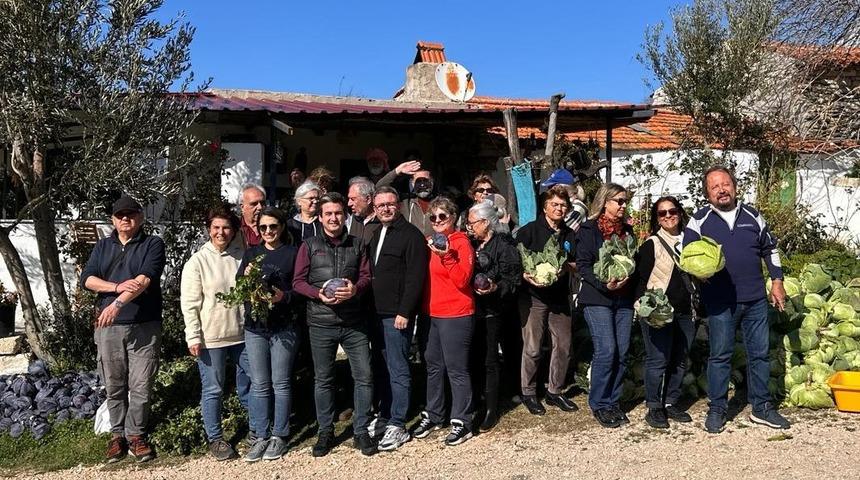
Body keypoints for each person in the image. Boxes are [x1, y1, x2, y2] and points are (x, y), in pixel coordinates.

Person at [684, 165, 790, 433]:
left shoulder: (753, 216)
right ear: (707, 193)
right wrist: (699, 273)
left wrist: (777, 281)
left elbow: (771, 248)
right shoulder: (699, 220)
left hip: (754, 299)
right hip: (720, 302)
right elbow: (685, 253)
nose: (721, 189)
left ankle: (762, 408)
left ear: (734, 186)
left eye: (725, 184)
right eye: (714, 186)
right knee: (720, 356)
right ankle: (717, 409)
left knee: (759, 355)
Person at [80, 194, 165, 463]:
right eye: (120, 215)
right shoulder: (102, 247)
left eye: (130, 214)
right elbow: (88, 279)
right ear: (113, 220)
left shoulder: (153, 244)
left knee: (141, 383)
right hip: (109, 328)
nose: (125, 219)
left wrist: (116, 304)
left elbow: (143, 280)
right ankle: (117, 435)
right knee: (113, 384)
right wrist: (116, 287)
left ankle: (136, 435)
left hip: (144, 325)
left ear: (140, 217)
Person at [292, 192, 377, 457]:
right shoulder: (309, 245)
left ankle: (361, 430)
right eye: (328, 213)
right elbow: (298, 282)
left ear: (345, 216)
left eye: (338, 213)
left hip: (354, 322)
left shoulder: (358, 244)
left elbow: (366, 276)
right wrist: (318, 293)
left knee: (363, 376)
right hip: (321, 323)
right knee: (324, 380)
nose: (333, 218)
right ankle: (325, 432)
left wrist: (356, 289)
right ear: (320, 217)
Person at [180, 206, 252, 460]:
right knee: (214, 389)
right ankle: (216, 439)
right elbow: (190, 303)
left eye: (226, 228)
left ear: (233, 231)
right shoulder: (197, 262)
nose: (221, 232)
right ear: (209, 230)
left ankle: (257, 430)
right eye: (216, 228)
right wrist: (193, 336)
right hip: (212, 339)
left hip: (242, 335)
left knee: (251, 384)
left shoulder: (241, 256)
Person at [366, 186, 428, 451]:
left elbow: (416, 278)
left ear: (399, 205)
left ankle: (398, 423)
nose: (385, 209)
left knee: (398, 369)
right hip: (375, 313)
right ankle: (385, 415)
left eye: (390, 204)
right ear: (375, 209)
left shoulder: (411, 236)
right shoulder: (376, 233)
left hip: (396, 315)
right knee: (380, 366)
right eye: (380, 206)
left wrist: (405, 311)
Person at [412, 197, 476, 446]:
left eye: (443, 216)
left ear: (453, 218)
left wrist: (447, 256)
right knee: (433, 367)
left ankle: (463, 420)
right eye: (433, 217)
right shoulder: (428, 242)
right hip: (431, 313)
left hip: (456, 313)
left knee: (456, 369)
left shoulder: (461, 242)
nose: (437, 221)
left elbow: (462, 280)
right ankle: (434, 413)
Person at [238, 207, 300, 462]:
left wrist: (283, 297)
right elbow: (239, 285)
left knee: (281, 382)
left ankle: (279, 435)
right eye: (263, 228)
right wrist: (246, 276)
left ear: (281, 227)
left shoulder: (293, 253)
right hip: (256, 327)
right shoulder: (252, 253)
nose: (268, 232)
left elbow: (301, 289)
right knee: (260, 383)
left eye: (273, 226)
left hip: (284, 326)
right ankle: (260, 435)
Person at [575, 183, 636, 428]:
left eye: (624, 201)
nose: (623, 205)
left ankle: (613, 400)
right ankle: (599, 403)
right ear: (605, 202)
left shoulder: (628, 232)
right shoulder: (589, 230)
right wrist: (604, 284)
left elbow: (632, 263)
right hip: (598, 298)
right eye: (618, 201)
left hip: (623, 299)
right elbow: (583, 266)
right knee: (607, 350)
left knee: (621, 352)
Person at [515, 186, 579, 416]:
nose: (559, 209)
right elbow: (517, 262)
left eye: (563, 205)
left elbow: (576, 262)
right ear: (545, 207)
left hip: (559, 297)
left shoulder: (569, 234)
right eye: (555, 204)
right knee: (532, 347)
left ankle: (555, 390)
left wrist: (565, 269)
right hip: (533, 297)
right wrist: (525, 275)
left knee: (563, 345)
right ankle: (529, 392)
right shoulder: (529, 232)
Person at [633, 196, 696, 429]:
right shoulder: (652, 244)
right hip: (659, 312)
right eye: (662, 213)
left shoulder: (691, 241)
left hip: (685, 310)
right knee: (657, 359)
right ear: (657, 218)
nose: (668, 216)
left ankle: (671, 402)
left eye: (672, 211)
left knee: (679, 359)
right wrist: (642, 307)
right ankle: (654, 406)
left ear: (679, 212)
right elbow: (639, 280)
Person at [465, 200, 522, 431]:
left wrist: (495, 287)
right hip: (472, 310)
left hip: (493, 311)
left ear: (485, 223)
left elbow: (514, 280)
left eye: (472, 223)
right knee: (474, 356)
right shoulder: (470, 244)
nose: (469, 227)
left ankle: (491, 408)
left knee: (490, 359)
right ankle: (478, 400)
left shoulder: (504, 247)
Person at [376, 160, 434, 236]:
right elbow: (379, 188)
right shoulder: (405, 202)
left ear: (432, 182)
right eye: (418, 182)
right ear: (412, 183)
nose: (422, 185)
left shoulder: (441, 203)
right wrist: (397, 171)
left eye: (426, 181)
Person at [541, 168, 588, 233]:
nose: (549, 191)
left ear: (562, 189)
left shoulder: (578, 208)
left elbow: (558, 231)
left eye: (551, 187)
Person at [346, 176, 381, 246]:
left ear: (368, 199)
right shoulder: (349, 221)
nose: (349, 204)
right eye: (349, 199)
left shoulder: (382, 222)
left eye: (353, 199)